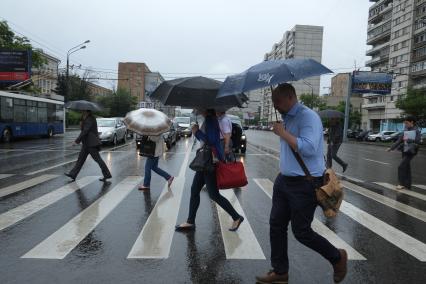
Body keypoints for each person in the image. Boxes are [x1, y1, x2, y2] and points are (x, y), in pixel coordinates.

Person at [256, 84, 347, 284]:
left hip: (305, 183)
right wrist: (283, 131)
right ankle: (280, 272)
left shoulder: (308, 117)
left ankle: (337, 257)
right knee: (276, 225)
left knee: (301, 231)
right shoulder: (288, 117)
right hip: (284, 181)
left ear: (290, 97)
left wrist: (283, 133)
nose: (275, 106)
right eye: (273, 102)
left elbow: (309, 148)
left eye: (277, 102)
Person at [175, 109, 244, 232]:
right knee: (194, 189)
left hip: (210, 162)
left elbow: (212, 140)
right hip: (206, 160)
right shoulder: (210, 119)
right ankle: (190, 221)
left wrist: (196, 132)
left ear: (205, 108)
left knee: (214, 195)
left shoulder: (211, 120)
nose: (197, 109)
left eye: (199, 107)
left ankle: (236, 217)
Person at [65, 110, 112, 182]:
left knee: (98, 160)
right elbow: (83, 129)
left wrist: (77, 141)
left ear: (87, 112)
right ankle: (73, 174)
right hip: (86, 143)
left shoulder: (90, 119)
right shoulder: (85, 118)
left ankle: (107, 174)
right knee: (80, 159)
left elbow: (85, 131)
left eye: (83, 111)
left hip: (91, 143)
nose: (82, 112)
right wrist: (81, 123)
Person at [387, 116, 421, 190]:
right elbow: (399, 141)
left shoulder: (416, 131)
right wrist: (391, 148)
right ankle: (407, 185)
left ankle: (401, 183)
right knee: (406, 167)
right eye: (405, 123)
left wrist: (410, 140)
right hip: (405, 150)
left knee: (401, 166)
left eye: (406, 123)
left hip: (411, 151)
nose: (405, 124)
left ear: (412, 122)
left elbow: (418, 141)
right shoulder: (405, 130)